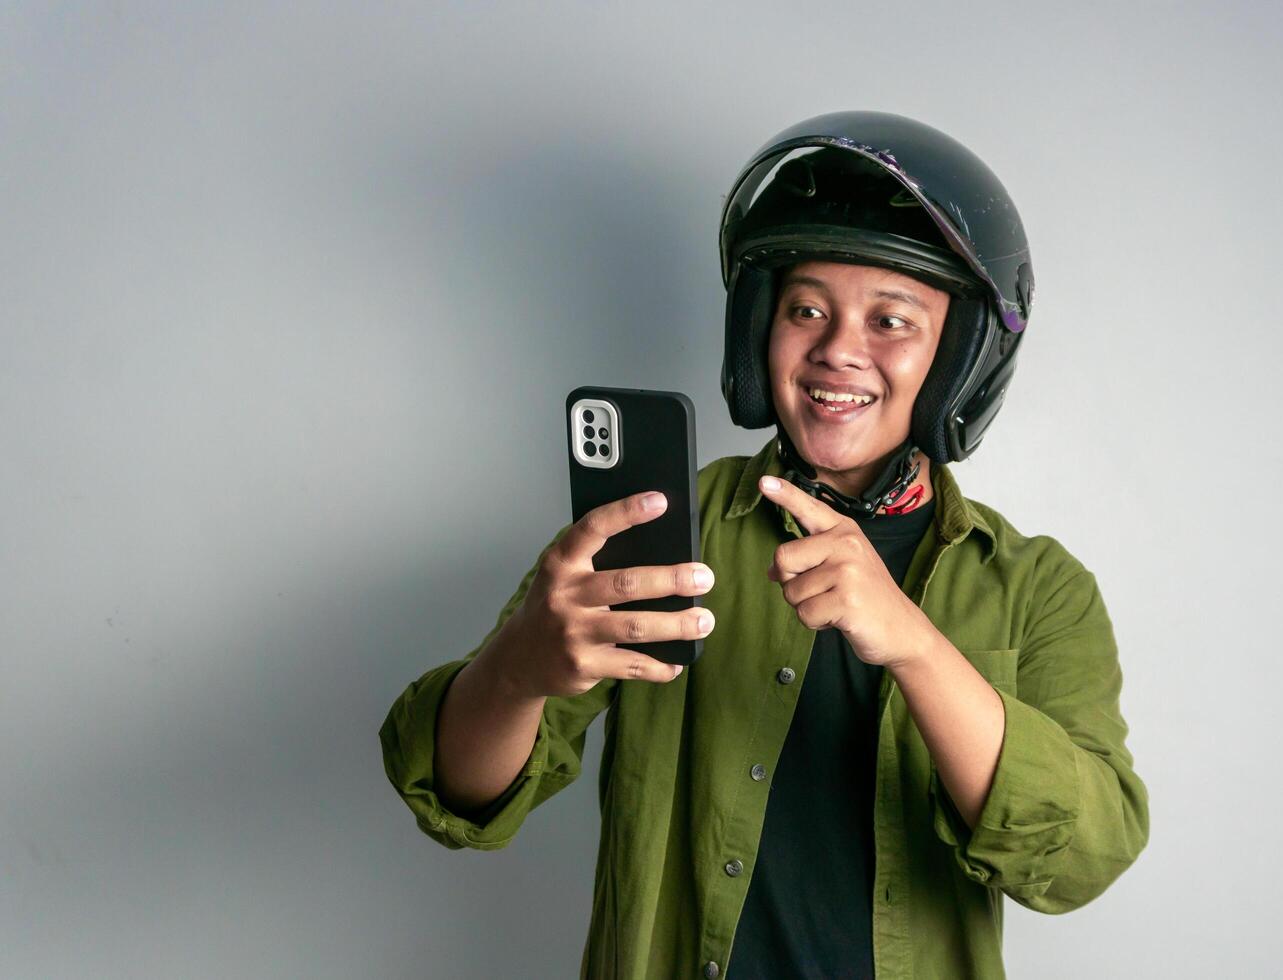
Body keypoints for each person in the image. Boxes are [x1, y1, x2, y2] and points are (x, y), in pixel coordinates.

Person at [379, 110, 1149, 979]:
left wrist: (916, 646)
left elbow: (1085, 859)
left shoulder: (1039, 589)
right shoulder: (659, 524)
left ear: (960, 357)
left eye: (890, 320)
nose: (837, 351)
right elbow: (456, 797)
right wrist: (520, 665)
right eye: (806, 308)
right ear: (758, 330)